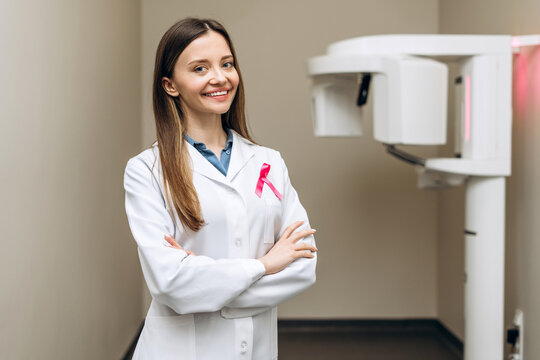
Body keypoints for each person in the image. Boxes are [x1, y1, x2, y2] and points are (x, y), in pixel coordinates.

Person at [124, 17, 317, 360]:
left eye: (226, 64)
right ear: (170, 85)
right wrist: (264, 265)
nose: (220, 77)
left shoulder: (268, 162)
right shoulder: (146, 170)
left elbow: (302, 265)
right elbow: (170, 284)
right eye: (200, 68)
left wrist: (208, 286)